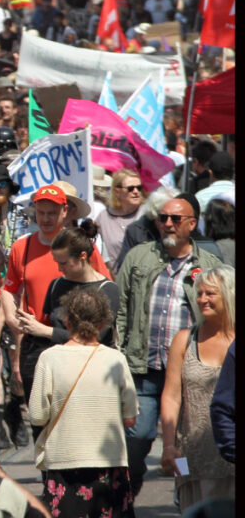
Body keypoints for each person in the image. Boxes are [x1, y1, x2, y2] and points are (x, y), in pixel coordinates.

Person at [114, 193, 223, 498]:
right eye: (163, 218)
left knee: (186, 442)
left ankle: (183, 492)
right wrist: (118, 353)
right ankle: (128, 490)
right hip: (143, 368)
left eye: (176, 219)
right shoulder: (138, 258)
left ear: (192, 224)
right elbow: (120, 309)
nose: (168, 224)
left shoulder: (209, 266)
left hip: (189, 372)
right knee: (137, 437)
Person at [28, 288, 137, 518]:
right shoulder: (116, 359)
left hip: (63, 462)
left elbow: (37, 415)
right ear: (102, 323)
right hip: (109, 462)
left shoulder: (49, 358)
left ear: (66, 321)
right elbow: (129, 419)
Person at [13, 224, 120, 428]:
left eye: (63, 263)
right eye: (56, 263)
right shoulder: (56, 285)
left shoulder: (107, 290)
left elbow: (94, 338)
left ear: (82, 257)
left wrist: (45, 331)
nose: (59, 268)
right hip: (59, 374)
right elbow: (46, 323)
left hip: (91, 377)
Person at [159, 266, 236, 507]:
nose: (202, 299)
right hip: (190, 458)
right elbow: (171, 397)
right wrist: (169, 446)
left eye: (210, 293)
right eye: (199, 293)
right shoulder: (185, 340)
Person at [95, 170, 146, 272]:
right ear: (117, 191)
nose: (136, 192)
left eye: (139, 188)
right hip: (115, 279)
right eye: (130, 188)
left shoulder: (146, 215)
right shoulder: (103, 217)